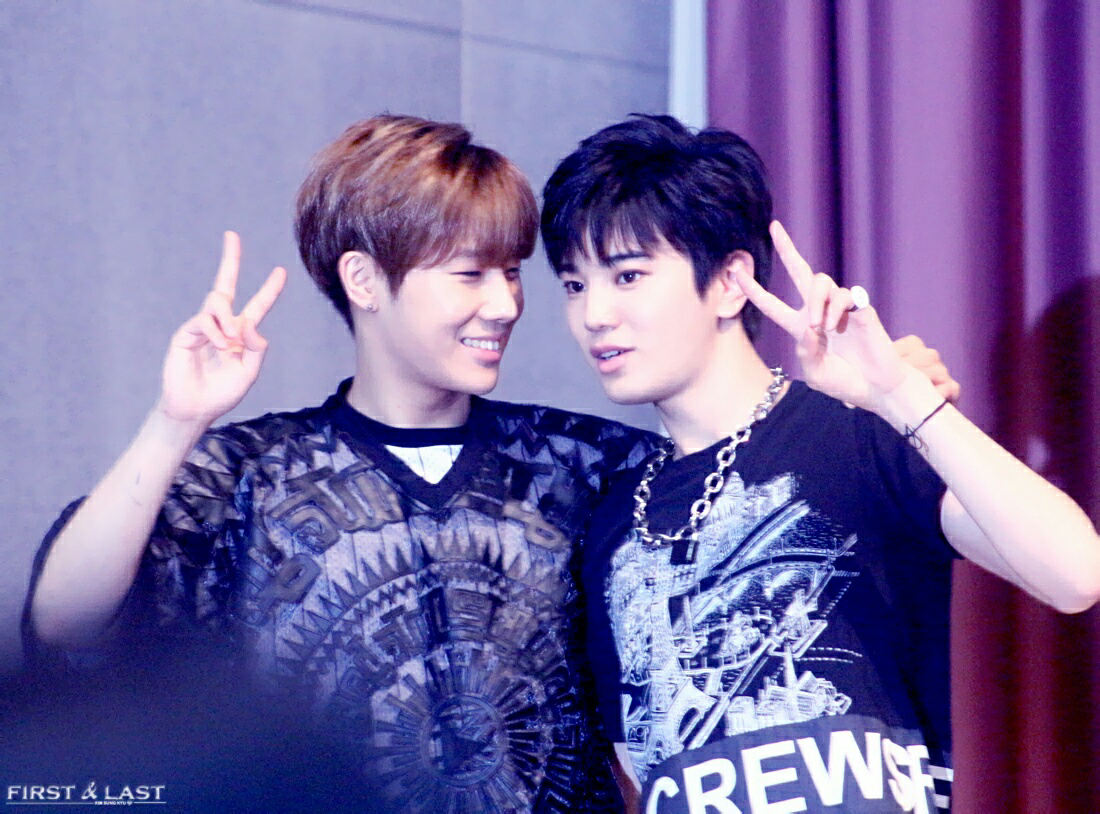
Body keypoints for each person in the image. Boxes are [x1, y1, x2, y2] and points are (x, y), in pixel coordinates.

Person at [23, 114, 956, 813]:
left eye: (512, 272)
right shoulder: (249, 474)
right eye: (469, 274)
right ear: (364, 280)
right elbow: (63, 620)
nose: (506, 304)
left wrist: (890, 401)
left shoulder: (592, 465)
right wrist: (174, 423)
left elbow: (758, 474)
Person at [539, 114, 1100, 814]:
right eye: (574, 285)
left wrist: (899, 396)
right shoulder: (613, 522)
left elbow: (1075, 575)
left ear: (729, 282)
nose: (594, 314)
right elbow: (640, 766)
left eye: (628, 276)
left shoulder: (858, 436)